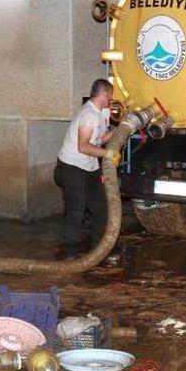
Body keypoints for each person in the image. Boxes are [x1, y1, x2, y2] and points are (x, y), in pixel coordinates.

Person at [55, 79, 119, 257]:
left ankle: (99, 249)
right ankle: (69, 251)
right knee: (76, 209)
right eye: (110, 95)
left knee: (101, 208)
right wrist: (107, 155)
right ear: (104, 94)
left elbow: (97, 140)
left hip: (89, 166)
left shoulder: (99, 112)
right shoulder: (88, 115)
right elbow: (83, 146)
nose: (111, 100)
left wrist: (116, 133)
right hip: (71, 166)